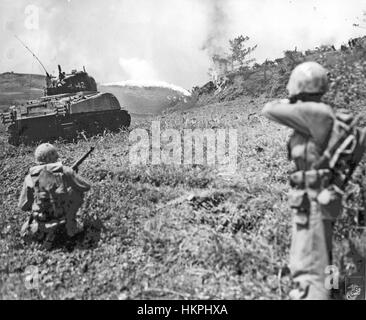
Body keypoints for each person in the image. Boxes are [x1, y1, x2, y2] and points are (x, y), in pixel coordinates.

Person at [262, 61, 366, 299]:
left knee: (308, 264)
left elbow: (269, 109)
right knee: (324, 254)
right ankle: (331, 292)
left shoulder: (313, 112)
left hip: (314, 199)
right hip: (319, 197)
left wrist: (291, 100)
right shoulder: (319, 112)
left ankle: (315, 295)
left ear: (298, 85)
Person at [19, 143, 91, 249]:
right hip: (63, 221)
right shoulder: (65, 171)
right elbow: (86, 187)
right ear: (53, 157)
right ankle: (72, 225)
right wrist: (71, 178)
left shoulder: (30, 177)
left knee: (25, 228)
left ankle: (42, 235)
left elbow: (23, 206)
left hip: (41, 222)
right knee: (76, 191)